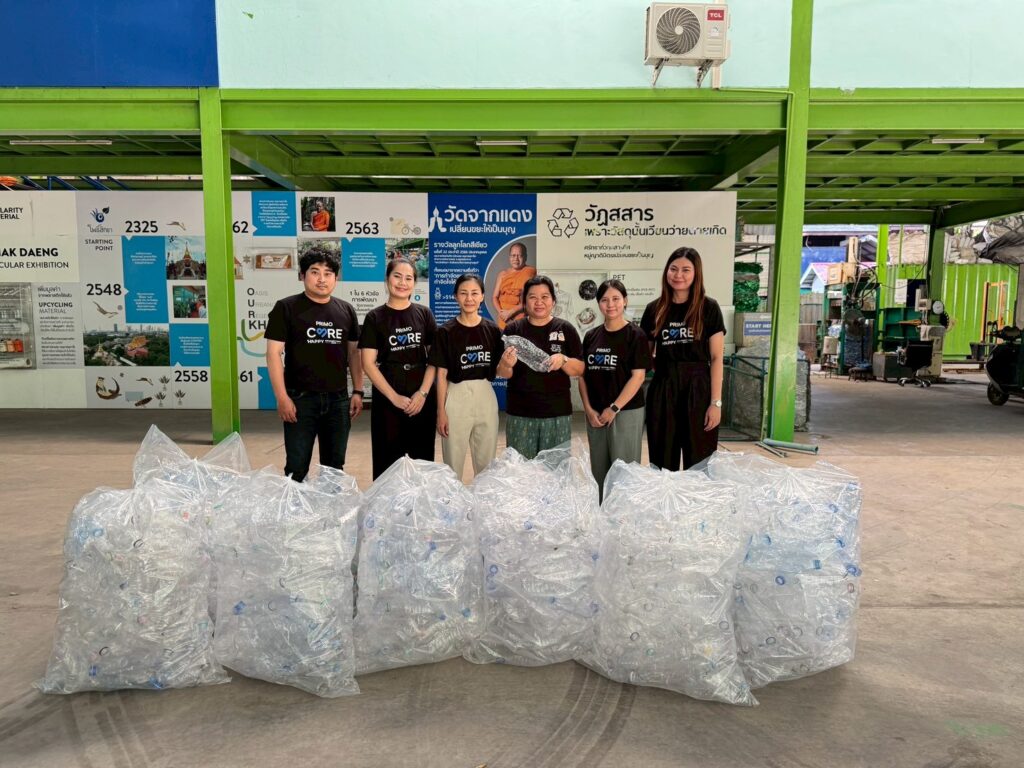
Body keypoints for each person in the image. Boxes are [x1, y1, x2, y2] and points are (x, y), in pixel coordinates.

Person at [265, 246, 364, 482]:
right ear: (302, 275)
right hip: (300, 400)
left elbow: (354, 354)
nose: (322, 279)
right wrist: (282, 397)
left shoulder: (346, 310)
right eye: (315, 272)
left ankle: (331, 506)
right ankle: (295, 507)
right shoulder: (286, 308)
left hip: (338, 401)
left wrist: (358, 391)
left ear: (335, 278)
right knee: (296, 467)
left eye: (328, 273)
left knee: (334, 468)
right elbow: (273, 354)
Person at [640, 246, 726, 471]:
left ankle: (698, 496)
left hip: (699, 389)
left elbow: (717, 357)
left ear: (696, 273)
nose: (678, 275)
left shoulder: (709, 308)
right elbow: (644, 357)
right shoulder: (654, 309)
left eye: (686, 270)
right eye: (673, 269)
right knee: (661, 461)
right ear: (666, 272)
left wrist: (715, 403)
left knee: (700, 461)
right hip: (664, 387)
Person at [359, 257, 438, 479]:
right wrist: (393, 397)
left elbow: (434, 359)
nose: (403, 283)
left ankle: (420, 500)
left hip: (420, 392)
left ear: (414, 283)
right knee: (387, 459)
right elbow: (368, 363)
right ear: (387, 280)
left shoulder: (424, 314)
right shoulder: (375, 317)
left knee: (422, 459)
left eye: (408, 278)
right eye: (397, 276)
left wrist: (423, 393)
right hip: (388, 392)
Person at [496, 275, 584, 459]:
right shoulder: (513, 330)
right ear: (524, 301)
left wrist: (564, 359)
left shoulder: (565, 329)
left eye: (545, 297)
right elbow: (503, 373)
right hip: (520, 413)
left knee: (555, 469)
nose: (539, 302)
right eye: (533, 297)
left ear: (553, 301)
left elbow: (580, 369)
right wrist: (506, 364)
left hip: (557, 413)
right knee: (521, 470)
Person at [578, 279, 651, 494]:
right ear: (598, 303)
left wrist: (614, 408)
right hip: (596, 415)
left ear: (625, 301)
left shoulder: (635, 335)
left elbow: (638, 377)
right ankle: (601, 511)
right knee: (599, 472)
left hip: (625, 412)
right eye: (604, 300)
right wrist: (588, 409)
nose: (610, 304)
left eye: (616, 299)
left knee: (624, 473)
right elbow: (582, 376)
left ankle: (623, 514)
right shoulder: (591, 336)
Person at [429, 273, 503, 481]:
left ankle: (483, 499)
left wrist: (508, 363)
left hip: (485, 394)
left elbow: (501, 370)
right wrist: (441, 411)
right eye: (463, 293)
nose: (469, 298)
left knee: (487, 461)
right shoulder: (445, 332)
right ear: (455, 297)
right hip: (456, 395)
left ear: (482, 296)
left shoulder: (492, 330)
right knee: (453, 460)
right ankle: (453, 501)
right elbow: (441, 375)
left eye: (474, 293)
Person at [491, 242, 536, 329]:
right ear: (509, 257)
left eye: (520, 255)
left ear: (525, 257)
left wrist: (511, 312)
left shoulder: (530, 273)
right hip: (503, 320)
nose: (516, 259)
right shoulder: (502, 274)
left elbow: (530, 300)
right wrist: (501, 313)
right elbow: (494, 297)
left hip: (521, 320)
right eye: (513, 255)